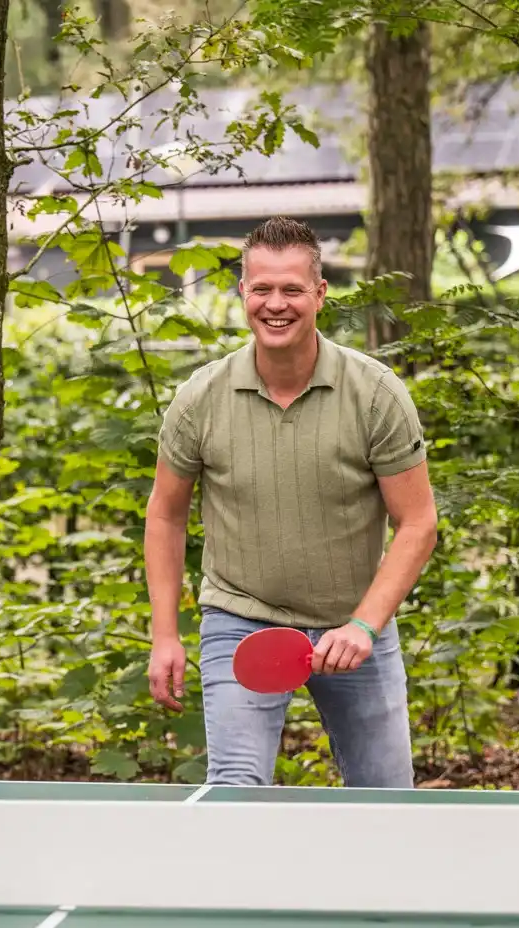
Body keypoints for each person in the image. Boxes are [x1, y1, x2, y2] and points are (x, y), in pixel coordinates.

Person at [144, 216, 438, 788]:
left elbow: (418, 522)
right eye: (262, 289)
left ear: (320, 294)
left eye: (292, 289)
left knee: (388, 806)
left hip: (353, 628)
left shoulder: (375, 393)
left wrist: (364, 625)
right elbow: (165, 514)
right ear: (242, 293)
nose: (275, 304)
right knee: (235, 795)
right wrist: (164, 636)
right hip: (240, 620)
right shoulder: (199, 398)